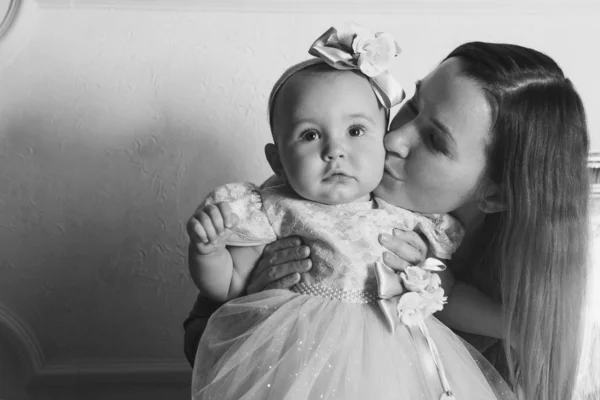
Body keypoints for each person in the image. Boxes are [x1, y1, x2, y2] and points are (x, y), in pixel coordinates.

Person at [185, 36, 591, 400]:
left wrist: (450, 291)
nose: (393, 139)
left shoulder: (508, 271)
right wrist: (252, 297)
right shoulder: (300, 195)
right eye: (411, 105)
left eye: (434, 141)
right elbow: (206, 346)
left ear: (496, 194)